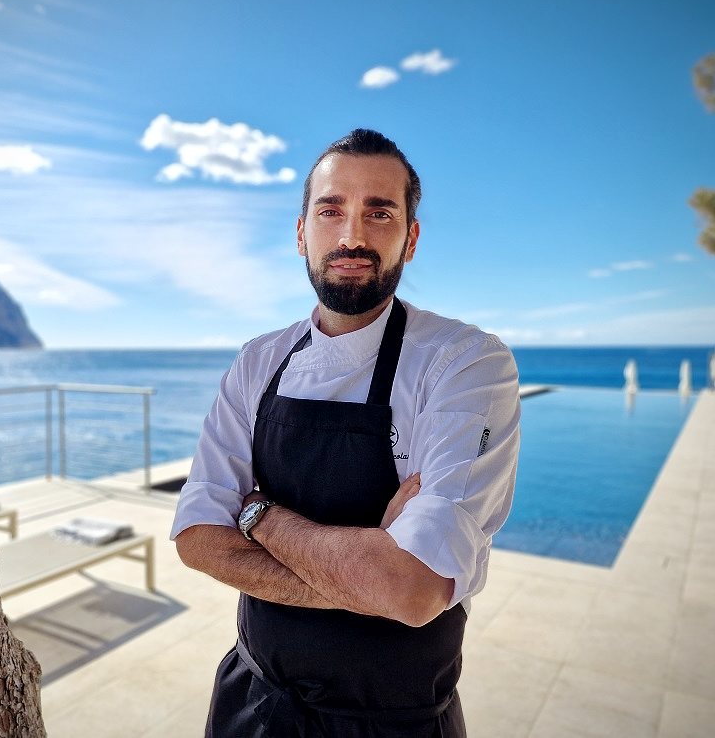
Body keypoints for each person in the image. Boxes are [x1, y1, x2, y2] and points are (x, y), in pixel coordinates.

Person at [171, 128, 520, 737]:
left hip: (396, 723)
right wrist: (367, 577)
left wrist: (260, 519)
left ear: (410, 239)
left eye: (379, 213)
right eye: (331, 210)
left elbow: (412, 587)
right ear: (302, 232)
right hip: (252, 704)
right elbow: (196, 537)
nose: (352, 235)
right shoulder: (258, 361)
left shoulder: (464, 363)